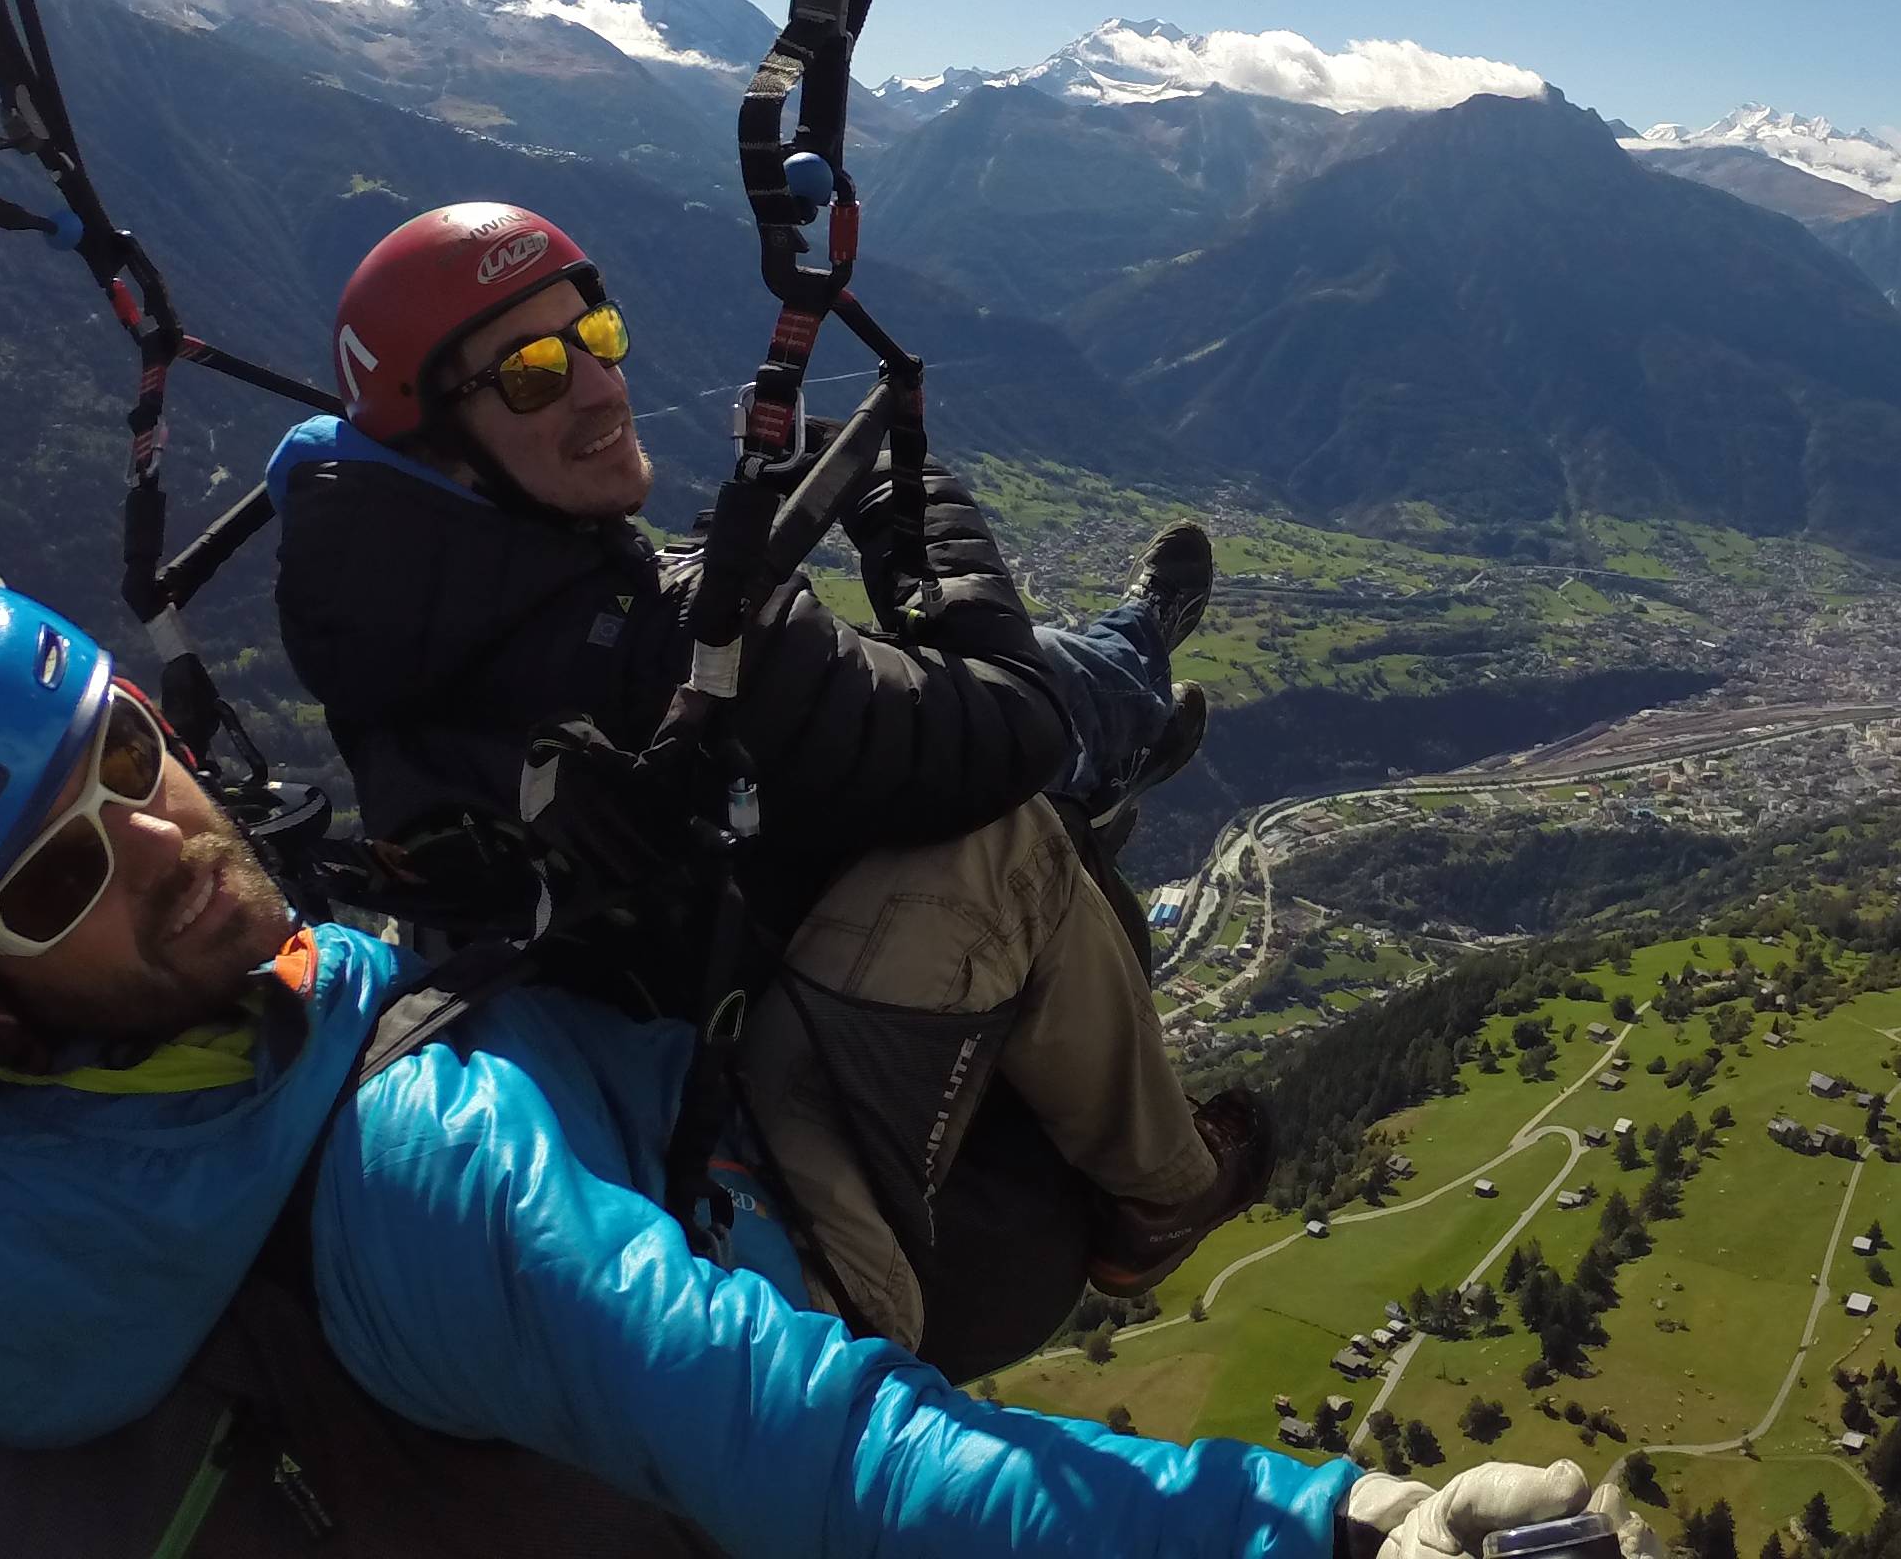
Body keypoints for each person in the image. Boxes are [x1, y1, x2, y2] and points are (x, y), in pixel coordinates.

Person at [0, 579, 1651, 1558]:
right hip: (755, 1234)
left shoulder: (21, 1149)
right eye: (63, 874)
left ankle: (1102, 684)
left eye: (131, 758)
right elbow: (826, 1444)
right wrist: (1323, 1528)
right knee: (995, 834)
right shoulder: (415, 1186)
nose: (162, 841)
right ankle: (1157, 1186)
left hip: (627, 1146)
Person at [266, 200, 1239, 1357]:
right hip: (766, 1124)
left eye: (599, 336)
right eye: (529, 374)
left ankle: (1130, 662)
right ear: (435, 441)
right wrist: (916, 501)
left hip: (636, 979)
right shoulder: (683, 649)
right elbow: (1006, 727)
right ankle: (1164, 1182)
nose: (596, 385)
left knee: (1056, 690)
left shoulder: (383, 603)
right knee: (1029, 797)